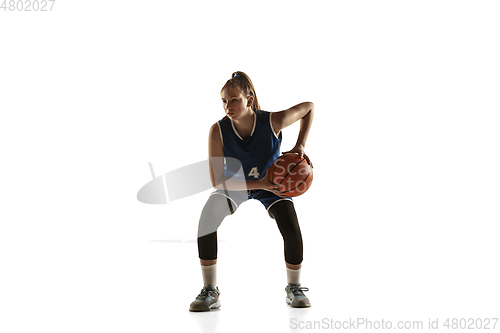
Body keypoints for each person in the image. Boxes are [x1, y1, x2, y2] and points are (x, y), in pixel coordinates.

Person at [189, 71, 314, 311]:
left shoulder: (272, 122)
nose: (228, 106)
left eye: (234, 99)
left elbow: (308, 107)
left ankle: (295, 287)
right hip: (236, 185)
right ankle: (210, 290)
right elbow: (218, 180)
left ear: (249, 99)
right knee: (207, 220)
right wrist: (261, 184)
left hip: (273, 185)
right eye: (224, 101)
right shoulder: (218, 130)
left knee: (290, 222)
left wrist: (300, 144)